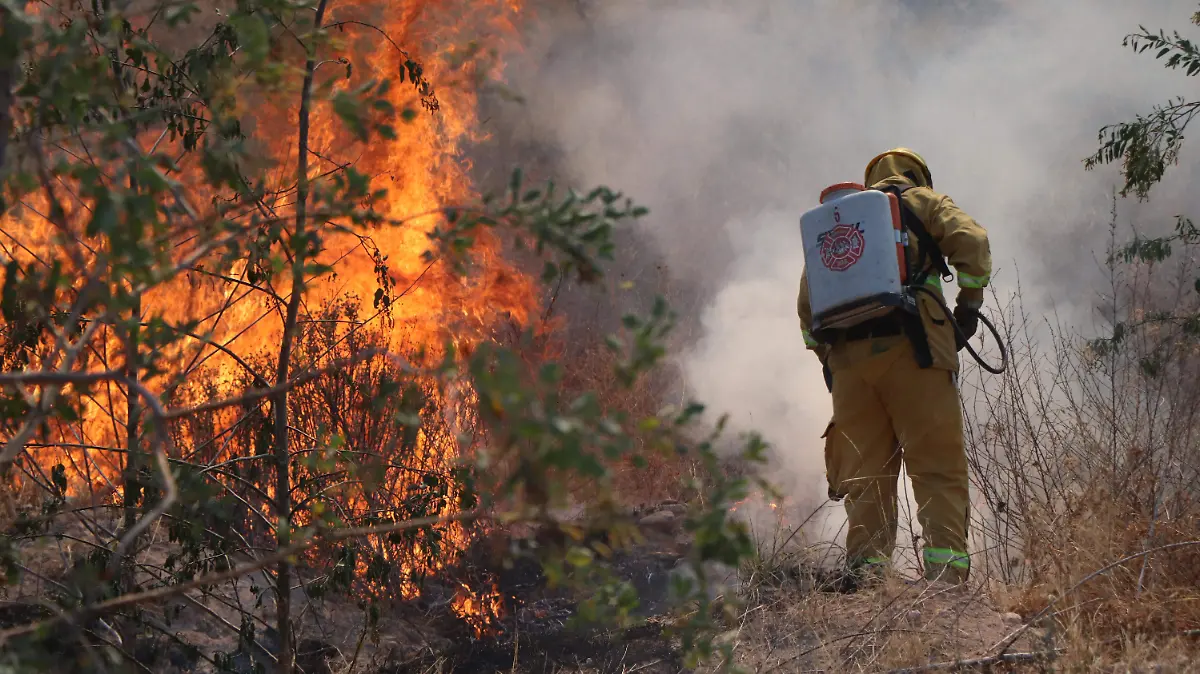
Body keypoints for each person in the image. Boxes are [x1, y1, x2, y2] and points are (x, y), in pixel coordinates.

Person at [797, 148, 992, 588]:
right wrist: (969, 305)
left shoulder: (839, 225)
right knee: (936, 465)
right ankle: (945, 581)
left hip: (849, 371)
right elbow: (973, 243)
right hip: (915, 351)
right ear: (917, 174)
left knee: (866, 475)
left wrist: (838, 364)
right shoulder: (922, 201)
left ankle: (868, 578)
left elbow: (808, 314)